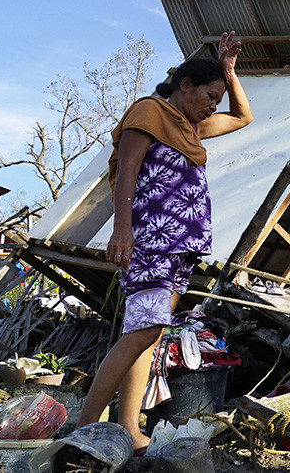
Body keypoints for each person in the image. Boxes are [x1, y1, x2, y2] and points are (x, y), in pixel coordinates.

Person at [77, 31, 252, 452]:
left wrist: (229, 73)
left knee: (147, 333)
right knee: (145, 329)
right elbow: (128, 170)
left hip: (180, 244)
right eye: (209, 95)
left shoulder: (189, 128)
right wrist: (122, 230)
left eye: (217, 98)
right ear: (184, 85)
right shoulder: (150, 112)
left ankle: (128, 428)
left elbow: (243, 116)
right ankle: (83, 429)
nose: (214, 105)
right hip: (152, 238)